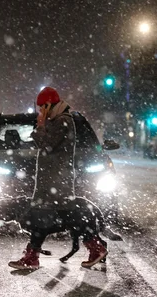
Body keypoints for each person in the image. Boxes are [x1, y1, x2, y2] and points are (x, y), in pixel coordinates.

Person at [8, 87, 108, 270]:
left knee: (62, 216)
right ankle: (34, 257)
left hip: (57, 182)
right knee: (48, 218)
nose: (40, 112)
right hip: (51, 182)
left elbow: (47, 145)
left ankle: (95, 247)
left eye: (41, 108)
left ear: (48, 105)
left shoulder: (63, 121)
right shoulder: (57, 121)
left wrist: (39, 125)